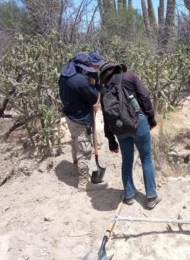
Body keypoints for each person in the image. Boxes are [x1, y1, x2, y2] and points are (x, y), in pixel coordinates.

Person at [99, 61, 161, 209]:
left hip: (120, 129)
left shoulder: (105, 89)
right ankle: (151, 197)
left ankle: (129, 196)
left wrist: (111, 139)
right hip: (137, 122)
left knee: (127, 160)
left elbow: (107, 116)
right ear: (118, 69)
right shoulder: (129, 76)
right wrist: (151, 118)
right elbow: (144, 97)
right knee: (146, 159)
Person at [58, 52, 103, 190]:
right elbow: (92, 98)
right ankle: (83, 183)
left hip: (70, 116)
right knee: (84, 149)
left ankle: (75, 169)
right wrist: (93, 85)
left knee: (75, 142)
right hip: (81, 118)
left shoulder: (64, 75)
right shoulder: (80, 80)